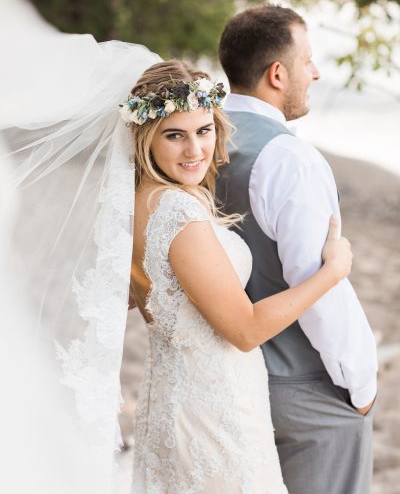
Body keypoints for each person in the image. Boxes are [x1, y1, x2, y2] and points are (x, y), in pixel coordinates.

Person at [126, 59, 353, 493]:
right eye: (175, 135)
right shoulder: (177, 213)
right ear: (145, 136)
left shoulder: (139, 199)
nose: (195, 150)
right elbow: (245, 331)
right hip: (215, 410)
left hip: (175, 394)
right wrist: (332, 271)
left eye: (204, 130)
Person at [217, 4, 378, 494]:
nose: (316, 72)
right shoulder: (289, 158)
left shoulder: (197, 143)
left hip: (228, 380)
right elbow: (318, 286)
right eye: (308, 60)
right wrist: (360, 387)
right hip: (304, 394)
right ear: (278, 73)